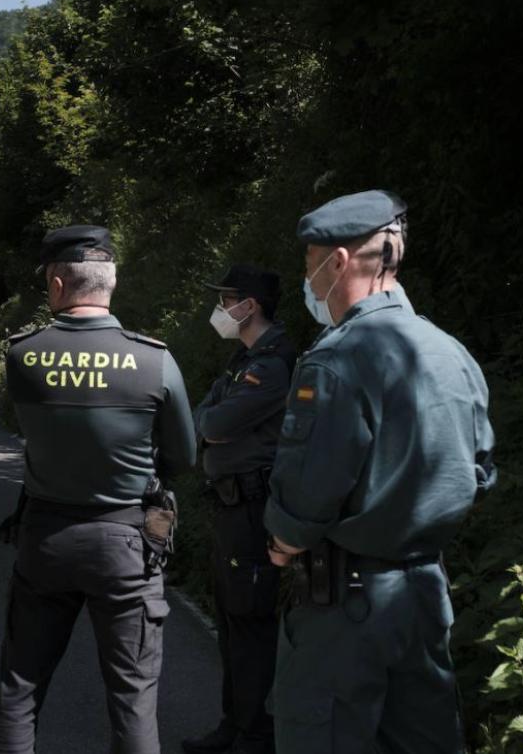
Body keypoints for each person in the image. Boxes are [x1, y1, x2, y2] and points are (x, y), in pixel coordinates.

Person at [262, 190, 497, 753]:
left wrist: (282, 541)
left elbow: (303, 503)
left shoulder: (335, 359)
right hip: (423, 596)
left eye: (309, 265)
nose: (308, 281)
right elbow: (480, 472)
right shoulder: (449, 351)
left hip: (345, 607)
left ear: (337, 262)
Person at [0, 224, 197, 754]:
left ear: (57, 285)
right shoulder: (153, 360)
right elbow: (184, 457)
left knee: (21, 686)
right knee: (132, 697)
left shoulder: (22, 356)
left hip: (45, 536)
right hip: (127, 542)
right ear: (112, 282)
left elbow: (33, 427)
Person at [183, 265, 296, 754]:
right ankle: (237, 723)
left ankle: (253, 731)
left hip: (253, 508)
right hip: (230, 507)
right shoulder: (242, 358)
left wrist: (208, 423)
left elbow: (217, 420)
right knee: (232, 617)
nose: (220, 309)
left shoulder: (273, 364)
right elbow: (200, 419)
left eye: (226, 299)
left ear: (249, 305)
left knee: (249, 619)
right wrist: (208, 423)